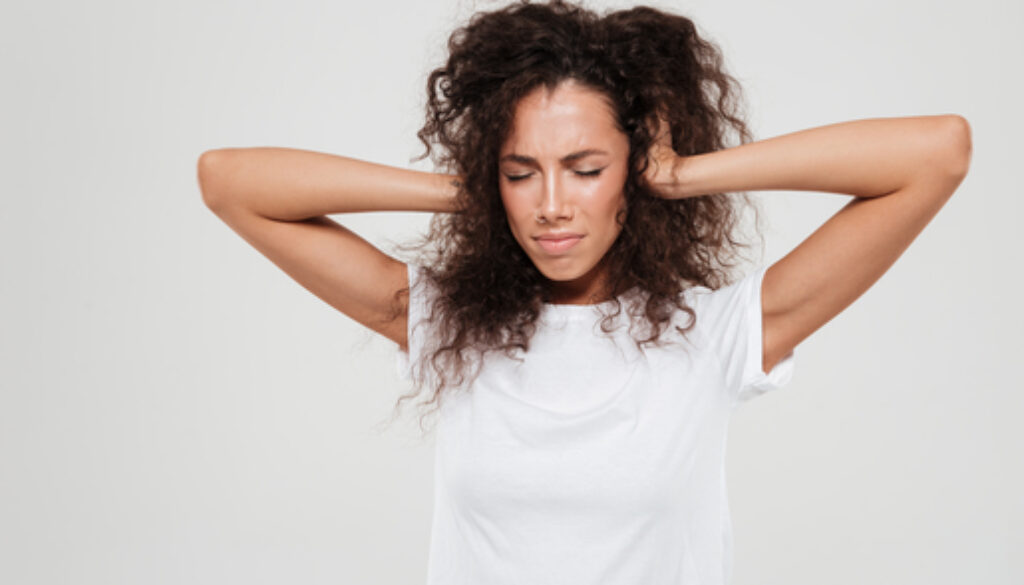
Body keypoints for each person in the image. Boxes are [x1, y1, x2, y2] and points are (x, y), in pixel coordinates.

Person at [196, 1, 971, 582]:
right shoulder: (448, 326)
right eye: (521, 171)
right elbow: (229, 181)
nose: (552, 204)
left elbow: (936, 154)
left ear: (630, 170)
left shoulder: (716, 332)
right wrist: (468, 187)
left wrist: (681, 175)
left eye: (587, 168)